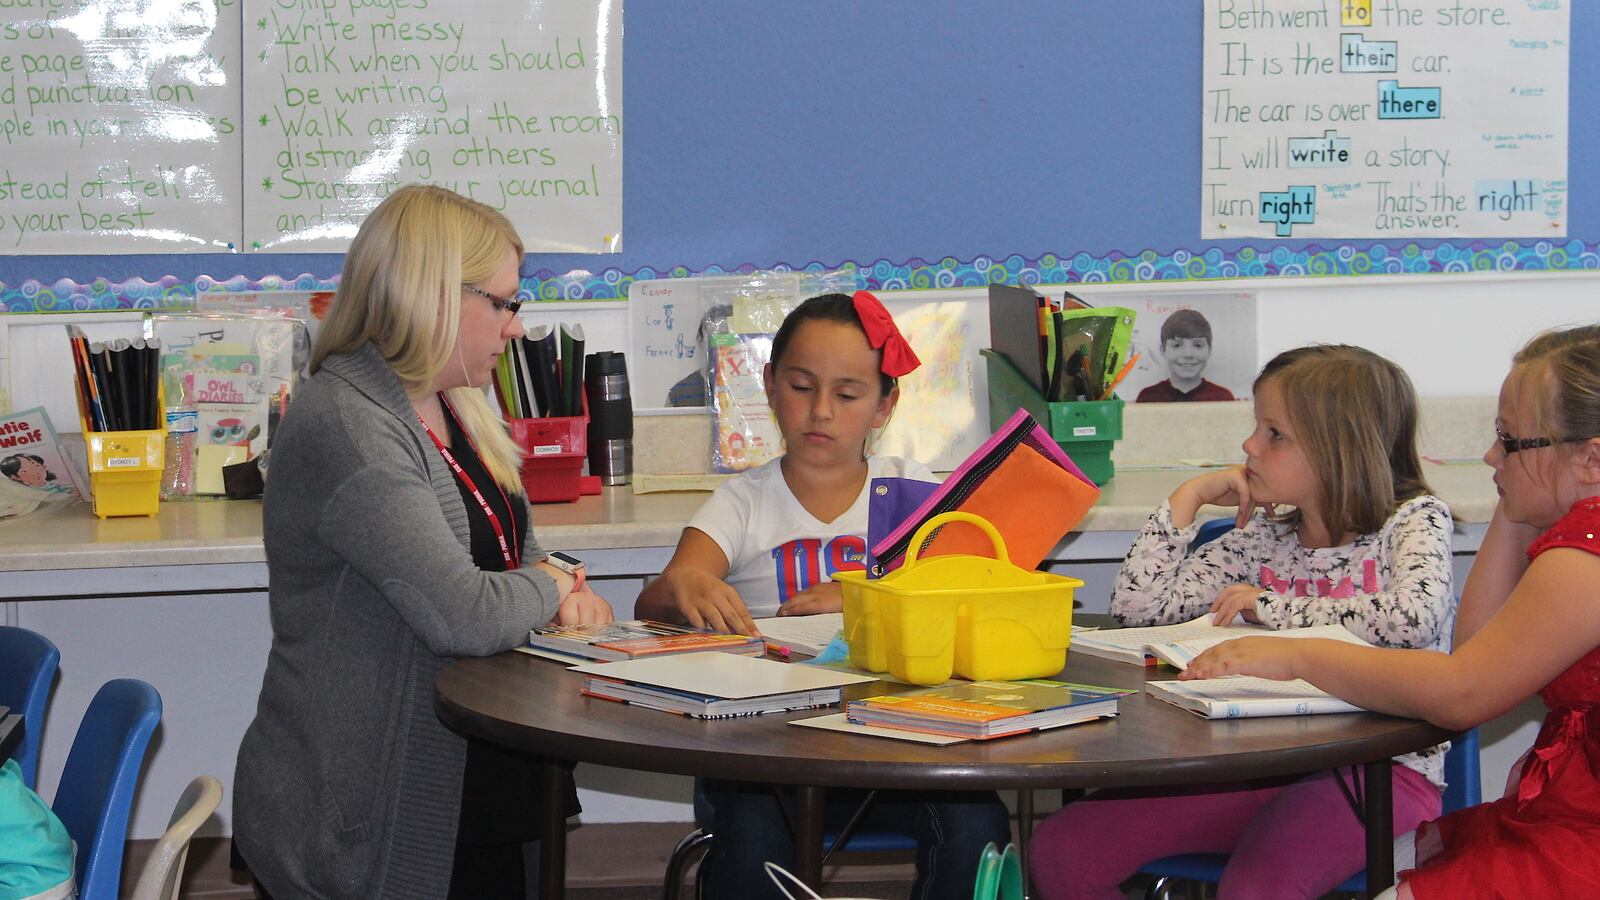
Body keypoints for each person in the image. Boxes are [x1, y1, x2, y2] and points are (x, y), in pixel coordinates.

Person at [232, 184, 613, 899]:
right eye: (502, 302)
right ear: (436, 295)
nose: (514, 326)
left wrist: (553, 591)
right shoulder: (350, 425)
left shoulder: (457, 399)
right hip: (374, 801)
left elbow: (511, 547)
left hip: (481, 767)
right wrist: (558, 584)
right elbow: (463, 613)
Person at [1183, 325, 1600, 900]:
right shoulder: (1575, 531)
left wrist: (1297, 653)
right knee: (1391, 860)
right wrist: (1520, 495)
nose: (1489, 455)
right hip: (1569, 810)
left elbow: (1462, 693)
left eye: (1510, 440)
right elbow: (1478, 647)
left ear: (1591, 459)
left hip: (1583, 838)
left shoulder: (1590, 552)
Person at [1030, 344, 1456, 900]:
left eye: (1274, 434)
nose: (1250, 446)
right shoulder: (1266, 537)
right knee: (1062, 850)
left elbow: (1412, 618)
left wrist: (1271, 607)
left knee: (1254, 890)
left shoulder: (1414, 520)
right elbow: (1138, 610)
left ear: (1339, 448)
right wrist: (1188, 499)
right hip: (1251, 761)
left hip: (1380, 773)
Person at [636, 291, 1011, 900]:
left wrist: (866, 597)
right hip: (765, 752)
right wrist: (685, 583)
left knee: (978, 822)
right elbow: (652, 605)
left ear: (885, 403)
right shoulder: (743, 502)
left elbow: (974, 597)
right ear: (769, 382)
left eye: (847, 394)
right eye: (802, 386)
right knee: (753, 834)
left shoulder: (916, 502)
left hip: (899, 749)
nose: (820, 413)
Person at [1135, 308, 1236, 402]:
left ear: (1209, 350)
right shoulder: (1148, 397)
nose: (1188, 354)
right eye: (1177, 345)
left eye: (1198, 345)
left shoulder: (1222, 397)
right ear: (1163, 350)